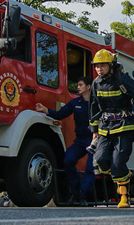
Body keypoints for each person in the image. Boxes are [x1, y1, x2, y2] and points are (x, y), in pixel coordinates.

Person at [89, 49, 134, 208]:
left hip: (124, 126)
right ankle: (125, 176)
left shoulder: (122, 79)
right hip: (105, 128)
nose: (99, 69)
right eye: (97, 66)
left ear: (111, 65)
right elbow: (94, 107)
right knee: (101, 160)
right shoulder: (96, 83)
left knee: (117, 162)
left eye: (102, 65)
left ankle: (124, 196)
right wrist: (94, 129)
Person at [36, 76, 94, 207]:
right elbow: (60, 114)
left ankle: (84, 197)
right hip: (80, 141)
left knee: (90, 168)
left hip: (95, 140)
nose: (78, 87)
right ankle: (76, 192)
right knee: (68, 161)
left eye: (80, 85)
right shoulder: (74, 103)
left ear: (88, 87)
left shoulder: (98, 103)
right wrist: (45, 110)